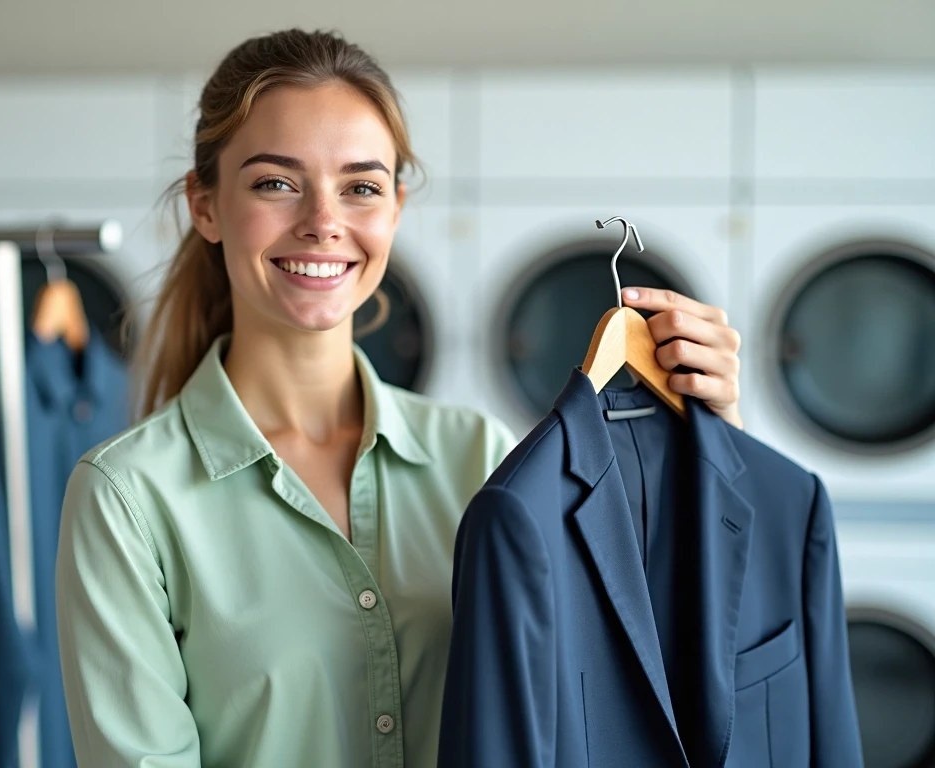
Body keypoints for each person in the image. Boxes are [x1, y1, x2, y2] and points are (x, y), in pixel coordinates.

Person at [55, 28, 745, 767]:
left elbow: (615, 694)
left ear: (395, 207)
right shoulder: (127, 498)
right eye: (276, 182)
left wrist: (713, 447)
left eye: (360, 186)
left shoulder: (482, 458)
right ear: (206, 205)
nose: (324, 221)